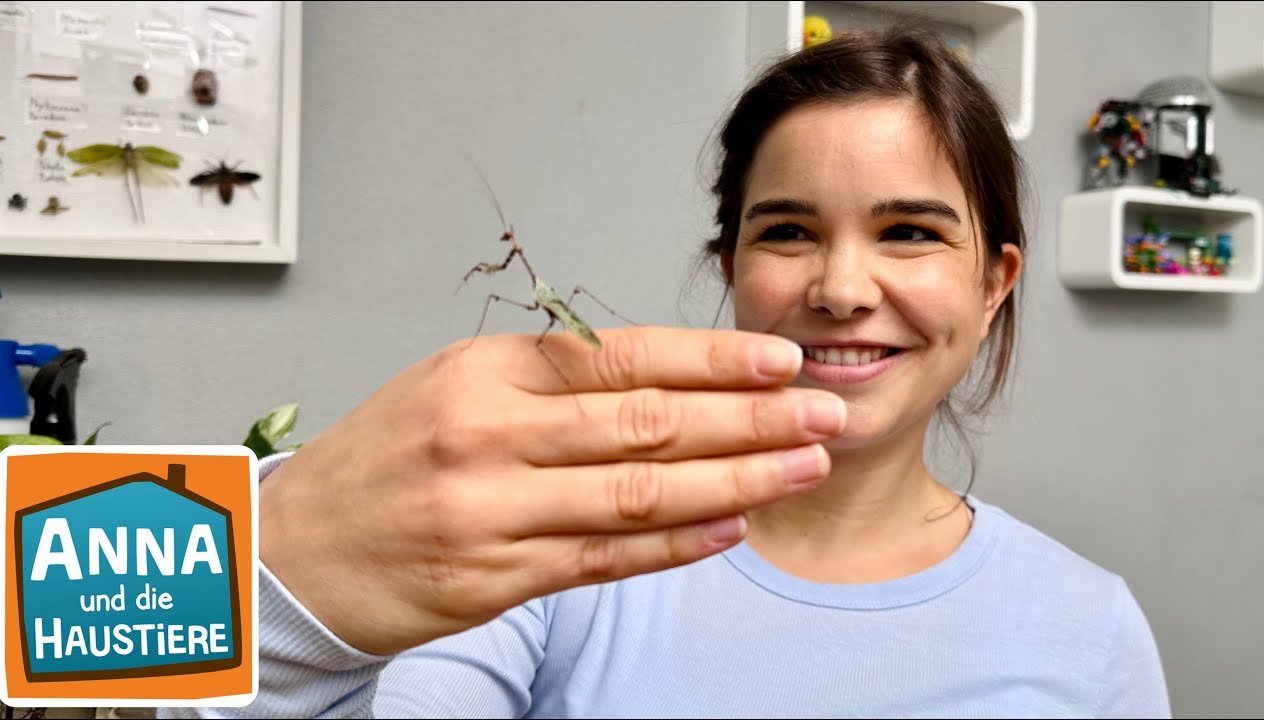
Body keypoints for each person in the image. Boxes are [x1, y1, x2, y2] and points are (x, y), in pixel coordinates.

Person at [165, 25, 1170, 719]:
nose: (840, 286)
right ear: (728, 268)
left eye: (907, 231)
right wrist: (283, 562)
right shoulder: (559, 552)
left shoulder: (1091, 629)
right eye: (787, 231)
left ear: (993, 282)